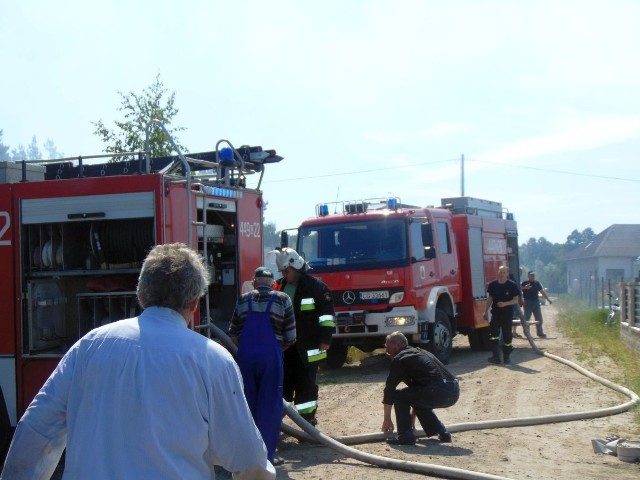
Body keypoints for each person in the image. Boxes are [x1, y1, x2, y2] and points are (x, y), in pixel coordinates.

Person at [1, 243, 275, 480]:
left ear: (141, 295)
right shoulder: (211, 359)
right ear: (195, 303)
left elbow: (37, 429)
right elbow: (249, 460)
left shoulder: (90, 346)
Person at [229, 266, 296, 466]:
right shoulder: (282, 299)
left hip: (246, 357)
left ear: (254, 281)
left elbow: (233, 332)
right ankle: (266, 457)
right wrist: (273, 350)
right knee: (269, 405)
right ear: (272, 283)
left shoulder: (243, 299)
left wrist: (248, 349)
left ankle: (245, 457)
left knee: (245, 405)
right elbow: (291, 336)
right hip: (271, 357)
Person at [272, 247, 335, 426]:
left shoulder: (316, 287)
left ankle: (307, 423)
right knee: (283, 383)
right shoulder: (279, 286)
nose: (285, 274)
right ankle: (277, 421)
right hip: (286, 346)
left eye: (287, 270)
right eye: (283, 271)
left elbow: (327, 316)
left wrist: (325, 339)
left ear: (297, 266)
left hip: (311, 346)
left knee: (306, 384)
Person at [381, 332, 459, 446]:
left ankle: (405, 437)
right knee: (415, 395)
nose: (386, 349)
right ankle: (442, 432)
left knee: (399, 396)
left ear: (397, 344)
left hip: (436, 391)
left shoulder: (401, 358)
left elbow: (389, 389)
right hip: (453, 391)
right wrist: (411, 424)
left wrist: (387, 419)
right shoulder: (421, 352)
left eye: (388, 344)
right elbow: (417, 396)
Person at [483, 265, 521, 365]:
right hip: (495, 314)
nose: (502, 274)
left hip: (507, 314)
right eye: (500, 272)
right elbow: (490, 298)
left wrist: (505, 304)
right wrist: (485, 311)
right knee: (494, 336)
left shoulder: (512, 285)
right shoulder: (493, 284)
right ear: (498, 272)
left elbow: (516, 300)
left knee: (507, 335)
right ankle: (496, 357)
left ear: (507, 274)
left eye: (504, 272)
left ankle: (506, 358)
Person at [521, 271, 553, 337]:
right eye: (531, 275)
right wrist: (525, 287)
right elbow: (518, 289)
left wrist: (548, 299)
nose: (533, 276)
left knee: (539, 318)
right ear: (528, 276)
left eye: (533, 275)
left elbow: (542, 292)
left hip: (536, 301)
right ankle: (527, 333)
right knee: (527, 318)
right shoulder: (525, 283)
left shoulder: (537, 283)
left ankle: (540, 333)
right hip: (527, 302)